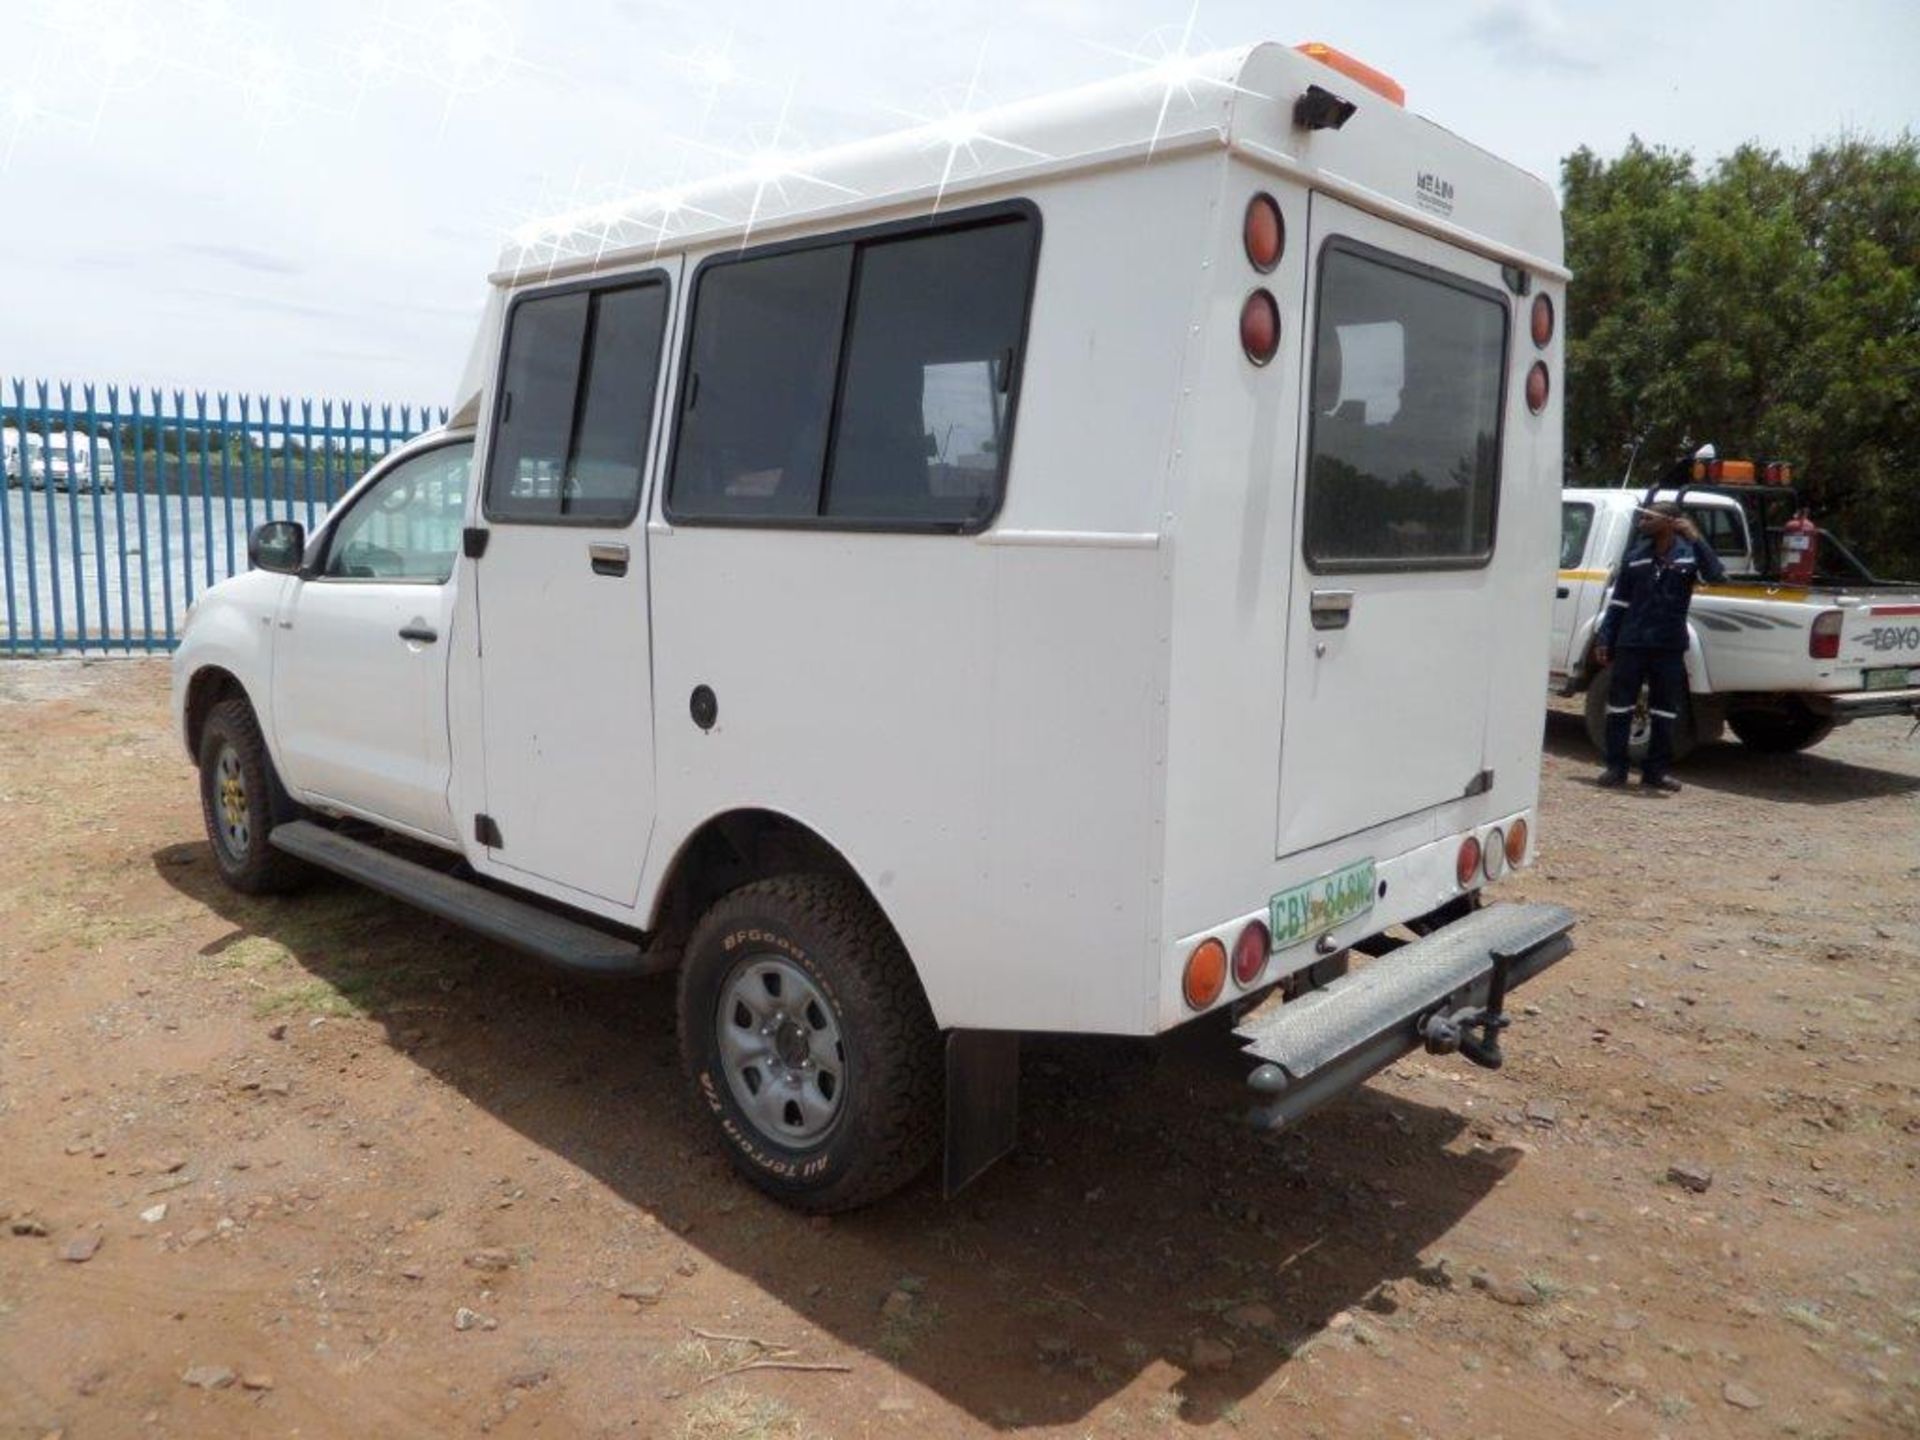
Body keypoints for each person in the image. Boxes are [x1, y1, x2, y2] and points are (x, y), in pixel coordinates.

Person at [1592, 501, 1727, 792]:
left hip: (1668, 646)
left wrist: (1696, 538)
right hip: (1632, 643)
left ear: (1670, 522)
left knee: (1665, 710)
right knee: (1619, 708)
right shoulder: (1636, 556)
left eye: (1648, 517)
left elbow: (1716, 575)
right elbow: (1619, 603)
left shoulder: (1689, 556)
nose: (1641, 522)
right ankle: (1616, 769)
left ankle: (1655, 773)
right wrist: (1606, 637)